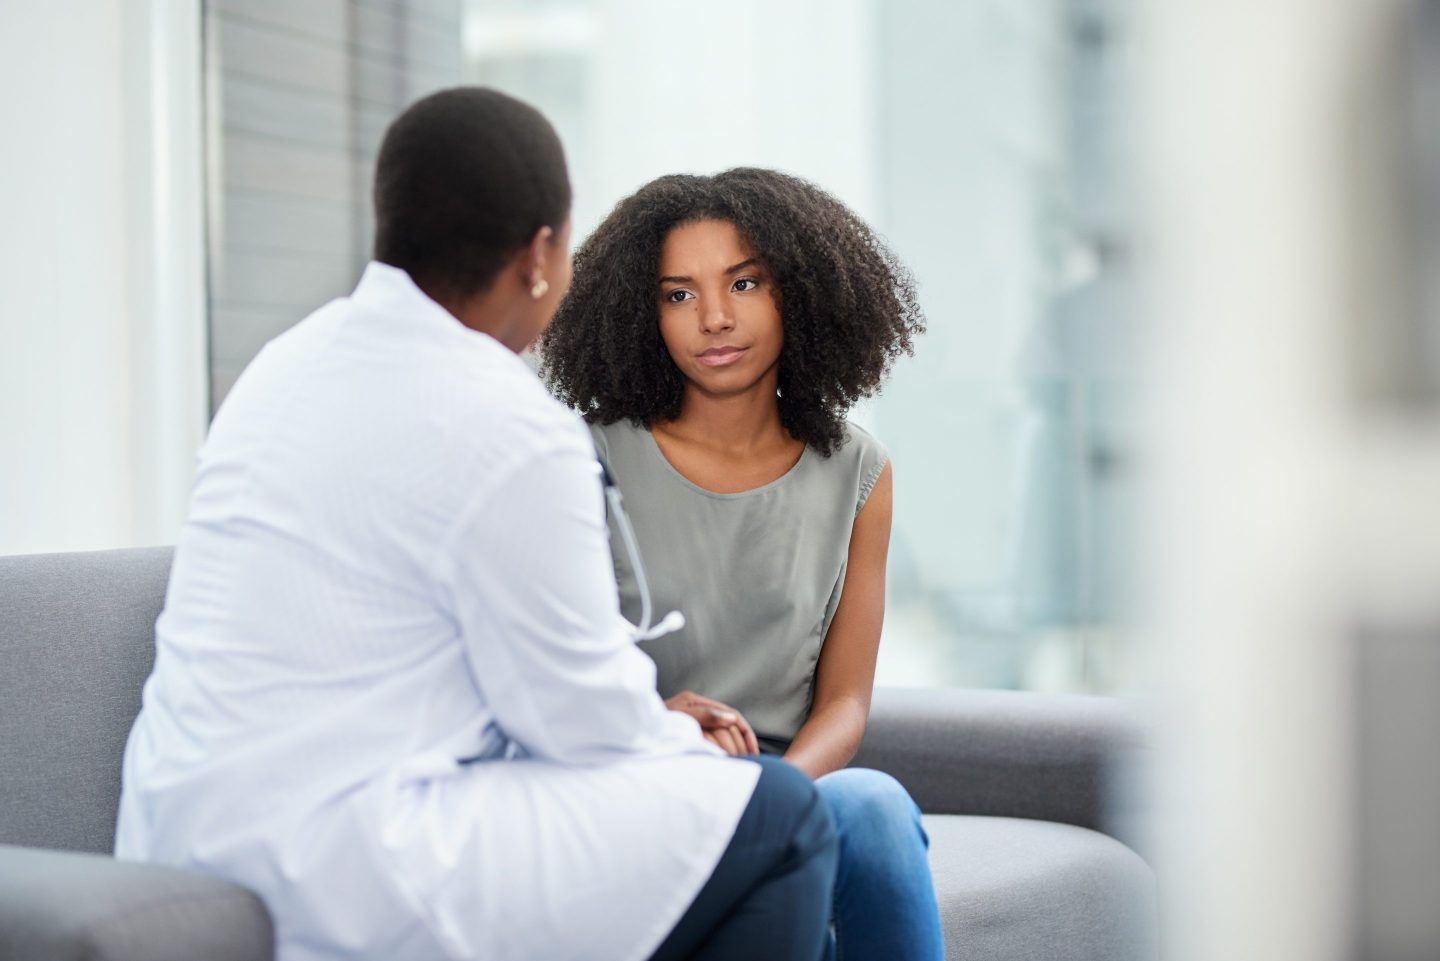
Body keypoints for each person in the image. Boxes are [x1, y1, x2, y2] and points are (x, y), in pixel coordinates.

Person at [114, 89, 838, 961]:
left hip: (176, 837)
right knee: (780, 816)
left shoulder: (285, 364)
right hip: (344, 858)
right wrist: (676, 736)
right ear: (540, 254)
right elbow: (578, 723)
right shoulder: (507, 422)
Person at [538, 168, 945, 961]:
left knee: (874, 807)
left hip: (793, 779)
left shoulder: (858, 471)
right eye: (678, 294)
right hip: (644, 776)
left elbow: (845, 704)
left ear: (797, 291)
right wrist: (657, 725)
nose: (715, 318)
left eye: (744, 282)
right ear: (642, 312)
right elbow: (552, 679)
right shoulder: (583, 459)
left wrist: (782, 796)